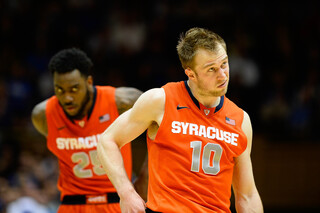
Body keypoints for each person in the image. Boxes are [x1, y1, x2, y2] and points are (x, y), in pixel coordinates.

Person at [97, 27, 263, 213]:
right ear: (191, 74)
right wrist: (126, 193)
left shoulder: (241, 119)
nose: (223, 75)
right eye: (211, 69)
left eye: (224, 64)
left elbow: (247, 195)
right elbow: (107, 140)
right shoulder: (160, 101)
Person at [31, 48, 147, 213]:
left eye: (74, 89)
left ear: (89, 82)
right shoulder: (43, 115)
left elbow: (162, 123)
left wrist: (145, 177)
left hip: (116, 200)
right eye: (59, 90)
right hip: (71, 204)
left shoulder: (122, 102)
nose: (67, 98)